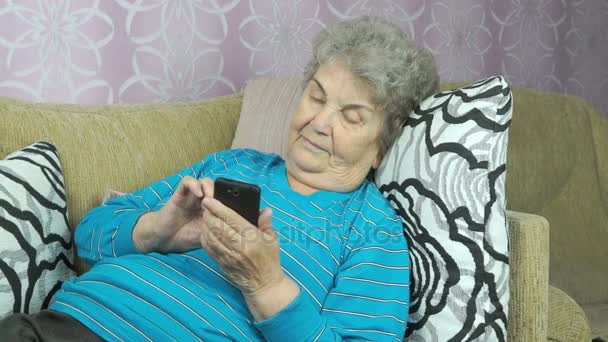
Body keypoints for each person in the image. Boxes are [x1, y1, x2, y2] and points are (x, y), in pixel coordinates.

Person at [0, 16, 438, 341]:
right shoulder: (233, 164)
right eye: (316, 96)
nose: (319, 122)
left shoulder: (373, 231)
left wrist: (266, 285)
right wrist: (160, 230)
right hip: (57, 327)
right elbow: (89, 235)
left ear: (382, 145)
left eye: (351, 116)